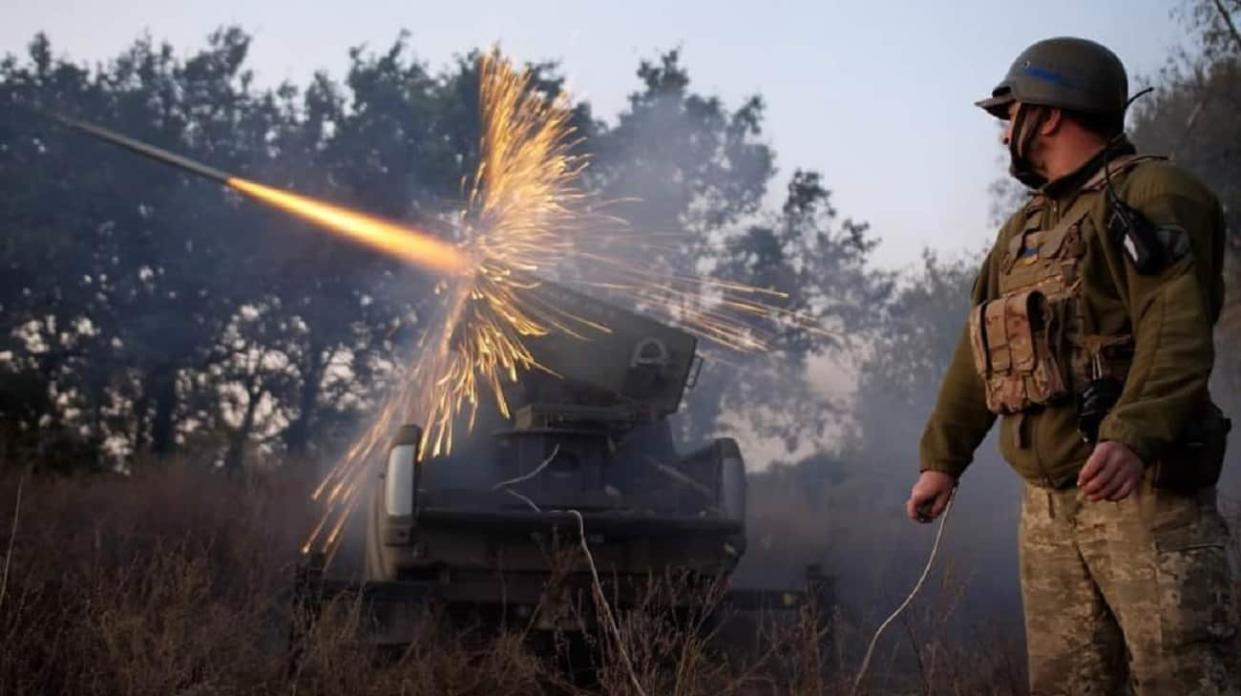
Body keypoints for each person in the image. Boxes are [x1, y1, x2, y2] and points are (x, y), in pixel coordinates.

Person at [906, 36, 1236, 695]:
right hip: (1049, 508)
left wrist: (1131, 436)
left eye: (1011, 115)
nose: (1004, 136)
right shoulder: (1023, 229)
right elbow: (979, 352)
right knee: (1066, 683)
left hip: (1144, 497)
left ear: (1049, 115)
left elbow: (1175, 332)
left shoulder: (1155, 194)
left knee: (1178, 677)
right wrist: (942, 459)